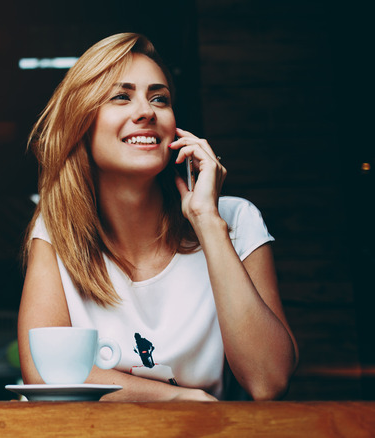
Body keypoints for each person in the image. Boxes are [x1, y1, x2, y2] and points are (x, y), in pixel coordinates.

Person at [17, 33, 298, 401]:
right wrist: (178, 399)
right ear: (82, 122)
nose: (146, 111)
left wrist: (208, 224)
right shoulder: (56, 229)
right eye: (121, 96)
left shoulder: (235, 219)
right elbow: (44, 370)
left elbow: (268, 380)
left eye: (159, 98)